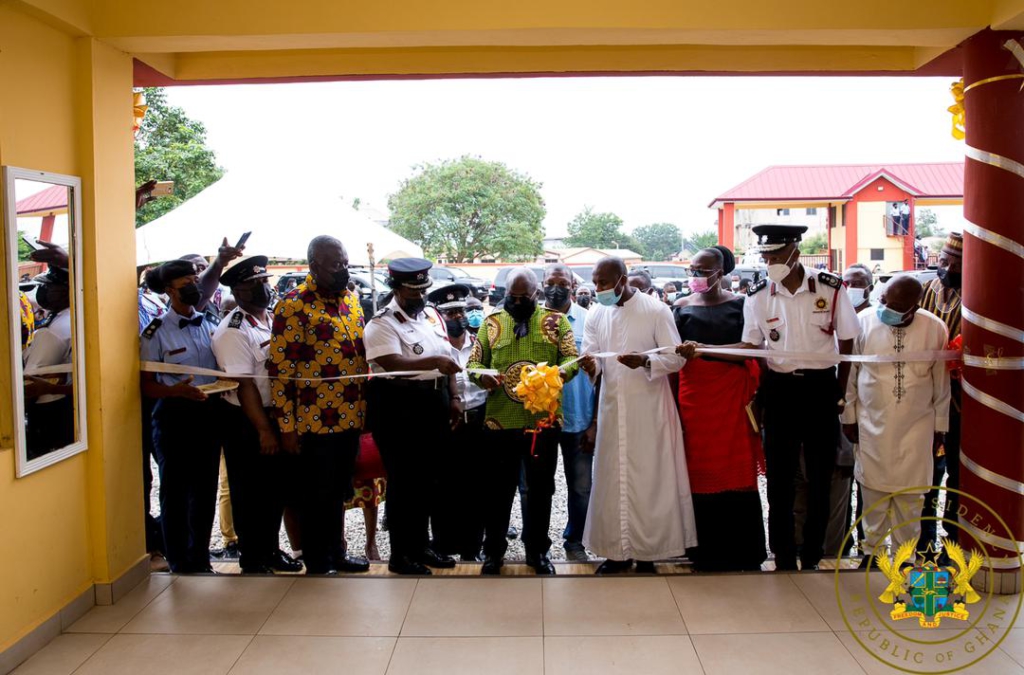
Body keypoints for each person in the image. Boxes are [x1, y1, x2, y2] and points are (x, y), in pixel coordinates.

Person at [741, 224, 860, 571]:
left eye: (776, 255)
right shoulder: (758, 294)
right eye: (765, 256)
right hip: (780, 388)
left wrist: (840, 389)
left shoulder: (830, 287)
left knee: (821, 475)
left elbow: (848, 339)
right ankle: (782, 553)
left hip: (821, 387)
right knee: (779, 476)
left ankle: (812, 552)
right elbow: (753, 346)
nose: (770, 262)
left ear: (795, 250)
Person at [579, 257, 698, 575]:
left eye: (604, 283)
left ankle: (648, 554)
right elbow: (594, 357)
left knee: (649, 481)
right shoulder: (596, 312)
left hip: (649, 410)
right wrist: (591, 367)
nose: (598, 289)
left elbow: (676, 358)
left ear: (622, 278)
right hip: (613, 407)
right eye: (595, 282)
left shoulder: (656, 310)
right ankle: (616, 553)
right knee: (612, 479)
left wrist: (645, 362)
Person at [268, 235, 370, 575]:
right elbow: (281, 372)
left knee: (339, 491)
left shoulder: (352, 301)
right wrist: (287, 427)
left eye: (345, 263)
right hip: (313, 421)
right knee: (315, 494)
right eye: (335, 265)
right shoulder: (293, 305)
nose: (343, 270)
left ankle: (337, 552)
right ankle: (318, 559)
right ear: (314, 266)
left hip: (351, 416)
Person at [468, 267, 579, 575]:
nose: (516, 302)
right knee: (497, 491)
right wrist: (483, 377)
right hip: (499, 423)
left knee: (541, 490)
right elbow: (474, 363)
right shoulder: (491, 323)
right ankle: (493, 553)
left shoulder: (556, 322)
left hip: (541, 424)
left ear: (536, 294)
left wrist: (554, 375)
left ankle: (538, 552)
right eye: (511, 296)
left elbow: (573, 359)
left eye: (522, 297)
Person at [841, 276, 950, 566]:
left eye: (895, 305)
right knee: (872, 495)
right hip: (871, 423)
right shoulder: (863, 321)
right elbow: (850, 376)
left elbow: (941, 383)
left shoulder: (934, 328)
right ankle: (871, 555)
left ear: (913, 307)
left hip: (918, 428)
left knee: (911, 500)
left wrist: (940, 427)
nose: (885, 307)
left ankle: (905, 558)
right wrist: (848, 416)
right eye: (884, 300)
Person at [364, 258, 462, 575]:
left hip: (435, 399)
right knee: (404, 481)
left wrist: (455, 396)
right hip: (399, 405)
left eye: (423, 290)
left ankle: (422, 546)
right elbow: (389, 362)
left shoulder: (432, 315)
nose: (420, 297)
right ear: (397, 288)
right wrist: (432, 361)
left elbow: (447, 357)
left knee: (428, 480)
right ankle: (401, 554)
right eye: (413, 291)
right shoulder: (382, 323)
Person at [673, 246, 766, 571]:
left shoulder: (742, 305)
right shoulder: (680, 307)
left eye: (703, 270)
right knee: (697, 469)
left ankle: (745, 551)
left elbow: (753, 349)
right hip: (693, 397)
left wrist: (706, 350)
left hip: (731, 396)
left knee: (737, 468)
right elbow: (673, 359)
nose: (696, 276)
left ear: (721, 272)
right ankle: (703, 551)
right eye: (692, 270)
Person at [212, 255, 303, 574]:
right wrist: (264, 430)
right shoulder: (233, 331)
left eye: (264, 281)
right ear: (238, 291)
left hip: (275, 413)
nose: (263, 288)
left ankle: (270, 549)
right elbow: (244, 386)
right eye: (253, 285)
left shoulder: (270, 318)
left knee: (274, 488)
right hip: (248, 421)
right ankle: (253, 557)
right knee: (250, 491)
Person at [140, 259, 225, 573]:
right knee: (175, 491)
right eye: (185, 283)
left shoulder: (209, 323)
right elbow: (146, 385)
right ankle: (178, 559)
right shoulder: (155, 332)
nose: (193, 286)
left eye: (194, 280)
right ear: (168, 291)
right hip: (174, 416)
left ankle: (200, 557)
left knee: (205, 490)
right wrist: (176, 392)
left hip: (208, 413)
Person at [428, 283, 488, 560]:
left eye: (460, 312)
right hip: (446, 424)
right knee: (442, 486)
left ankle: (471, 547)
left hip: (477, 422)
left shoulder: (480, 345)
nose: (457, 319)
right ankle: (442, 545)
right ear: (440, 317)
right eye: (449, 314)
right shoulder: (434, 348)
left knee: (476, 487)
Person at [542, 264, 597, 562]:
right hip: (542, 420)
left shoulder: (590, 320)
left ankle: (574, 541)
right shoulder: (533, 322)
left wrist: (595, 424)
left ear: (573, 287)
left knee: (581, 487)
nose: (556, 288)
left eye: (562, 283)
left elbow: (602, 374)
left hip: (579, 418)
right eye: (550, 282)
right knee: (538, 487)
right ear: (541, 286)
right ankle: (539, 543)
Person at [919, 232, 963, 551]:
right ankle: (925, 538)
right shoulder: (928, 288)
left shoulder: (978, 296)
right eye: (943, 261)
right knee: (928, 471)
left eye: (953, 264)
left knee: (958, 473)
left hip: (962, 401)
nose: (945, 268)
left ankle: (955, 537)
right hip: (928, 394)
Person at [22, 267, 75, 458]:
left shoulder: (53, 331)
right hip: (64, 408)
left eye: (48, 286)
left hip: (48, 413)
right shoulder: (72, 318)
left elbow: (31, 385)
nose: (42, 291)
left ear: (65, 290)